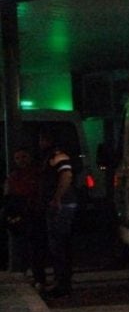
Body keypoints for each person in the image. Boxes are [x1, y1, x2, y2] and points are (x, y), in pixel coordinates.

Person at [38, 127, 79, 298]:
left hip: (61, 205)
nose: (40, 143)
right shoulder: (52, 156)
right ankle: (61, 281)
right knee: (58, 244)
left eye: (42, 140)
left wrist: (57, 198)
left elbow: (66, 176)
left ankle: (63, 283)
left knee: (59, 244)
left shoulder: (58, 156)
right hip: (59, 203)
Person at [3, 147, 46, 288]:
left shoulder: (37, 174)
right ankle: (35, 274)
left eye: (23, 157)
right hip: (22, 214)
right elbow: (8, 195)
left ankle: (39, 276)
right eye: (18, 158)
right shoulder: (14, 176)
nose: (21, 161)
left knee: (36, 246)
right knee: (27, 246)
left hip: (35, 213)